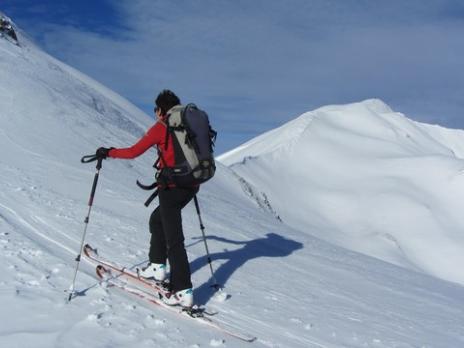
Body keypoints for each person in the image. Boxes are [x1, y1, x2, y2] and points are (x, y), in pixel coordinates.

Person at [95, 90, 198, 308]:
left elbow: (134, 152)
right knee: (157, 220)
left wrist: (109, 152)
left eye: (155, 109)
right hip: (191, 186)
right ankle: (158, 266)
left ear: (162, 110)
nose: (155, 113)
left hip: (171, 187)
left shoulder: (162, 127)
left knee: (174, 240)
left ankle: (183, 291)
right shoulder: (189, 125)